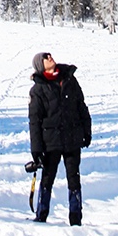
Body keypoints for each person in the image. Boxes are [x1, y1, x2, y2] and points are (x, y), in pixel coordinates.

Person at [28, 51, 92, 226]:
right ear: (40, 65)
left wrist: (87, 130)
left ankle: (75, 218)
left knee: (74, 178)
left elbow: (81, 106)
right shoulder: (38, 89)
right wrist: (36, 149)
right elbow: (35, 121)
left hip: (73, 137)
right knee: (48, 177)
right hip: (51, 141)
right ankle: (41, 215)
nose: (50, 57)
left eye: (49, 55)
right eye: (45, 57)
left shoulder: (69, 79)